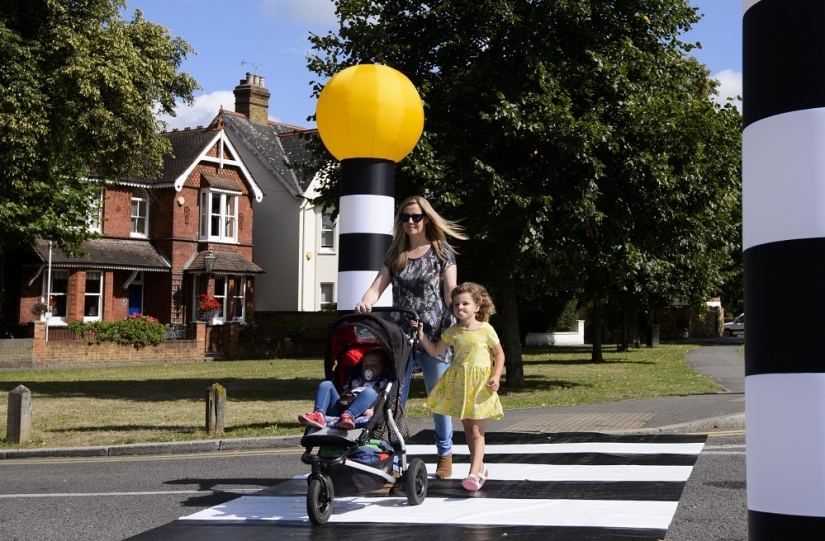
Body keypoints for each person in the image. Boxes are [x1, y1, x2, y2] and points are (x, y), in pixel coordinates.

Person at [355, 195, 467, 479]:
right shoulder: (396, 255)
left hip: (434, 335)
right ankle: (393, 456)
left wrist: (458, 326)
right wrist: (365, 302)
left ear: (426, 219)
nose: (410, 222)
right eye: (405, 217)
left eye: (416, 217)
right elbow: (375, 288)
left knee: (438, 398)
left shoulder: (442, 253)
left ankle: (445, 454)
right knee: (394, 398)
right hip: (401, 335)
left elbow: (450, 294)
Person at [415, 282, 504, 492]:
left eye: (465, 303)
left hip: (480, 386)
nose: (460, 308)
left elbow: (499, 354)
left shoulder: (486, 330)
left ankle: (474, 473)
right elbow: (436, 350)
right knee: (467, 429)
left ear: (477, 305)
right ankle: (479, 469)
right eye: (456, 304)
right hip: (461, 386)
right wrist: (421, 337)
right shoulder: (454, 331)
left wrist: (497, 376)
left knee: (476, 431)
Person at [298, 347, 390, 430]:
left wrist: (373, 409)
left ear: (385, 369)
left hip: (361, 412)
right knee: (326, 384)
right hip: (341, 407)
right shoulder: (354, 380)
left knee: (370, 392)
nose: (369, 368)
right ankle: (319, 414)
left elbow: (382, 398)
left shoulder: (383, 383)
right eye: (365, 365)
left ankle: (349, 416)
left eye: (374, 365)